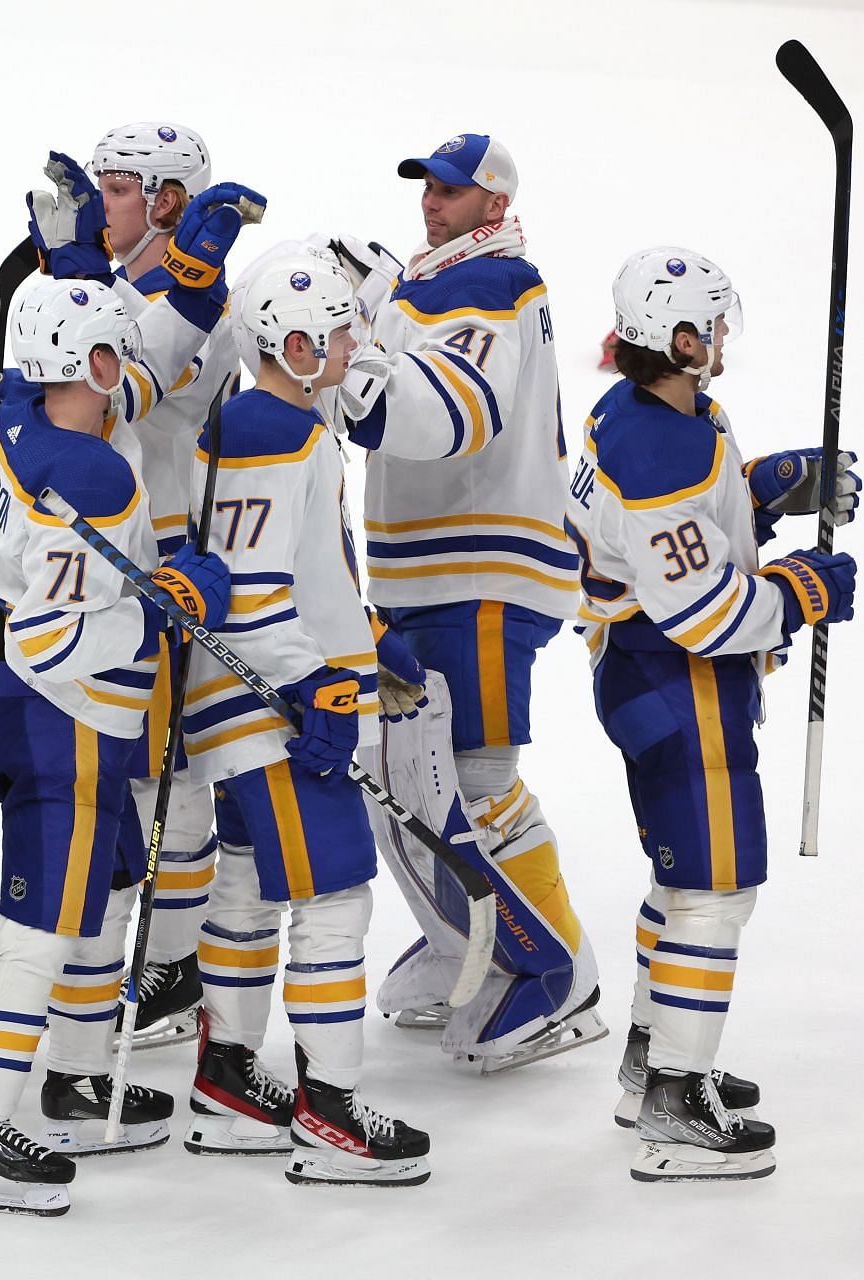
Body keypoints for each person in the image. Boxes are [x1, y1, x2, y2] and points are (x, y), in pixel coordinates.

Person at [0, 269, 235, 1216]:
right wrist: (165, 611)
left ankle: (74, 1080)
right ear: (87, 360)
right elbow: (51, 636)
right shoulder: (89, 470)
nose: (129, 364)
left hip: (43, 713)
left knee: (106, 889)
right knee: (41, 924)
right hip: (61, 716)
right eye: (117, 349)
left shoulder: (22, 416)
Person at [567, 246, 858, 1181]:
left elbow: (686, 539)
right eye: (714, 325)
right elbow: (705, 612)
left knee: (679, 879)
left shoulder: (644, 414)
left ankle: (654, 1068)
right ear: (682, 339)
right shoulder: (665, 451)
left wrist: (762, 488)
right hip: (679, 681)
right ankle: (675, 1115)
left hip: (644, 676)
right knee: (715, 889)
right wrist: (801, 589)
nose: (724, 338)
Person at [332, 132, 601, 1070]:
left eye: (450, 190)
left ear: (492, 203)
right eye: (427, 187)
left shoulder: (487, 284)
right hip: (433, 572)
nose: (430, 202)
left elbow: (453, 413)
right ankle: (470, 941)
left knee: (475, 782)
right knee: (413, 775)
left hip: (481, 573)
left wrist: (347, 364)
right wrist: (364, 319)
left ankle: (551, 968)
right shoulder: (435, 286)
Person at [179, 246, 429, 1185]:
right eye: (337, 331)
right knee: (332, 898)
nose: (352, 342)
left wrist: (360, 638)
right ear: (289, 344)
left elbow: (290, 570)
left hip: (251, 704)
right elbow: (248, 592)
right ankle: (329, 1115)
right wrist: (314, 683)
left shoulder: (270, 421)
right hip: (271, 710)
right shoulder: (273, 431)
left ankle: (231, 1080)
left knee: (243, 890)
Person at [83, 121, 238, 1048]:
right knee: (126, 771)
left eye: (114, 189)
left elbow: (132, 390)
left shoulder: (197, 300)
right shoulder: (127, 283)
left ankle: (173, 967)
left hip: (167, 557)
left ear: (166, 200)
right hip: (116, 552)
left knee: (164, 776)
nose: (98, 205)